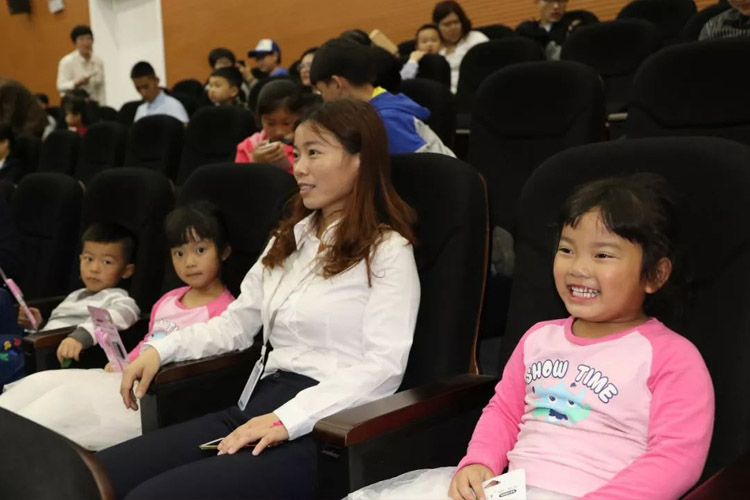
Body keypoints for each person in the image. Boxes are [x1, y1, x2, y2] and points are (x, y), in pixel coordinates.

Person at [97, 98, 421, 499]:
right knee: (100, 474)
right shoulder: (288, 239)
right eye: (297, 154)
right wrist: (162, 350)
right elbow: (237, 323)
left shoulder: (387, 250)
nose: (298, 167)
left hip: (325, 424)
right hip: (257, 403)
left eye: (314, 153)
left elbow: (383, 368)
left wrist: (288, 418)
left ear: (360, 160)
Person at [349, 173, 714, 500]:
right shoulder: (540, 339)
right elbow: (504, 412)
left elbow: (675, 457)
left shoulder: (671, 357)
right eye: (567, 249)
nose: (578, 267)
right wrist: (480, 461)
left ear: (655, 275)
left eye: (603, 255)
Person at [0, 203, 235, 450]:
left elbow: (207, 369)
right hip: (123, 379)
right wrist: (124, 362)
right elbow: (148, 340)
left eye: (200, 250)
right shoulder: (168, 299)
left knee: (63, 402)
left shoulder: (227, 313)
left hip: (155, 395)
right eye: (179, 254)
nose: (189, 262)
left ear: (224, 251)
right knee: (40, 384)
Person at [17, 223, 139, 364]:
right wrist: (38, 326)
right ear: (80, 260)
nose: (94, 268)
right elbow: (55, 330)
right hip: (34, 351)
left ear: (127, 271)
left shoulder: (119, 299)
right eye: (89, 259)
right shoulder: (75, 295)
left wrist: (81, 336)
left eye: (106, 262)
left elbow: (118, 316)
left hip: (59, 360)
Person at [311, 37, 455, 156]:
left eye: (321, 91)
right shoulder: (380, 108)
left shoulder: (385, 120)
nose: (323, 100)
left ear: (337, 84)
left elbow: (418, 175)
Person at [235, 80, 322, 173]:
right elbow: (239, 180)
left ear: (300, 117)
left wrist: (288, 165)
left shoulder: (311, 146)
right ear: (260, 119)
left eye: (286, 123)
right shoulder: (247, 148)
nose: (279, 132)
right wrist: (255, 164)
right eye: (270, 123)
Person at [432, 1, 489, 93]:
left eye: (456, 22)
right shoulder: (436, 48)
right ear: (437, 27)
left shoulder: (476, 38)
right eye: (447, 24)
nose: (453, 27)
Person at [57, 25, 106, 105]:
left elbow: (101, 89)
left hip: (94, 105)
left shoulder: (98, 61)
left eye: (88, 38)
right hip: (75, 106)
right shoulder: (67, 62)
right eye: (81, 39)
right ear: (75, 42)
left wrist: (103, 106)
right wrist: (76, 83)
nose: (86, 43)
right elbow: (60, 86)